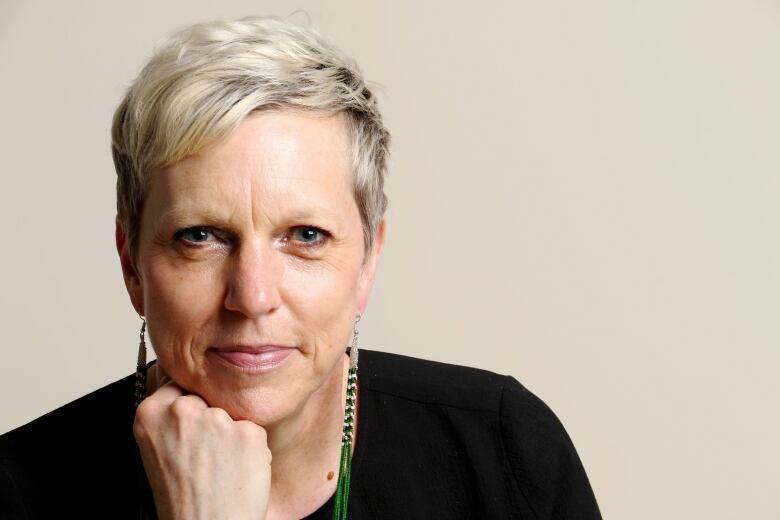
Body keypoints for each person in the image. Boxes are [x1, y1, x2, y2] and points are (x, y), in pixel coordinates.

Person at [0, 16, 601, 519]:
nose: (253, 296)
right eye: (200, 236)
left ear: (367, 261)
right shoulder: (18, 491)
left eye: (306, 235)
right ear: (131, 264)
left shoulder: (502, 454)